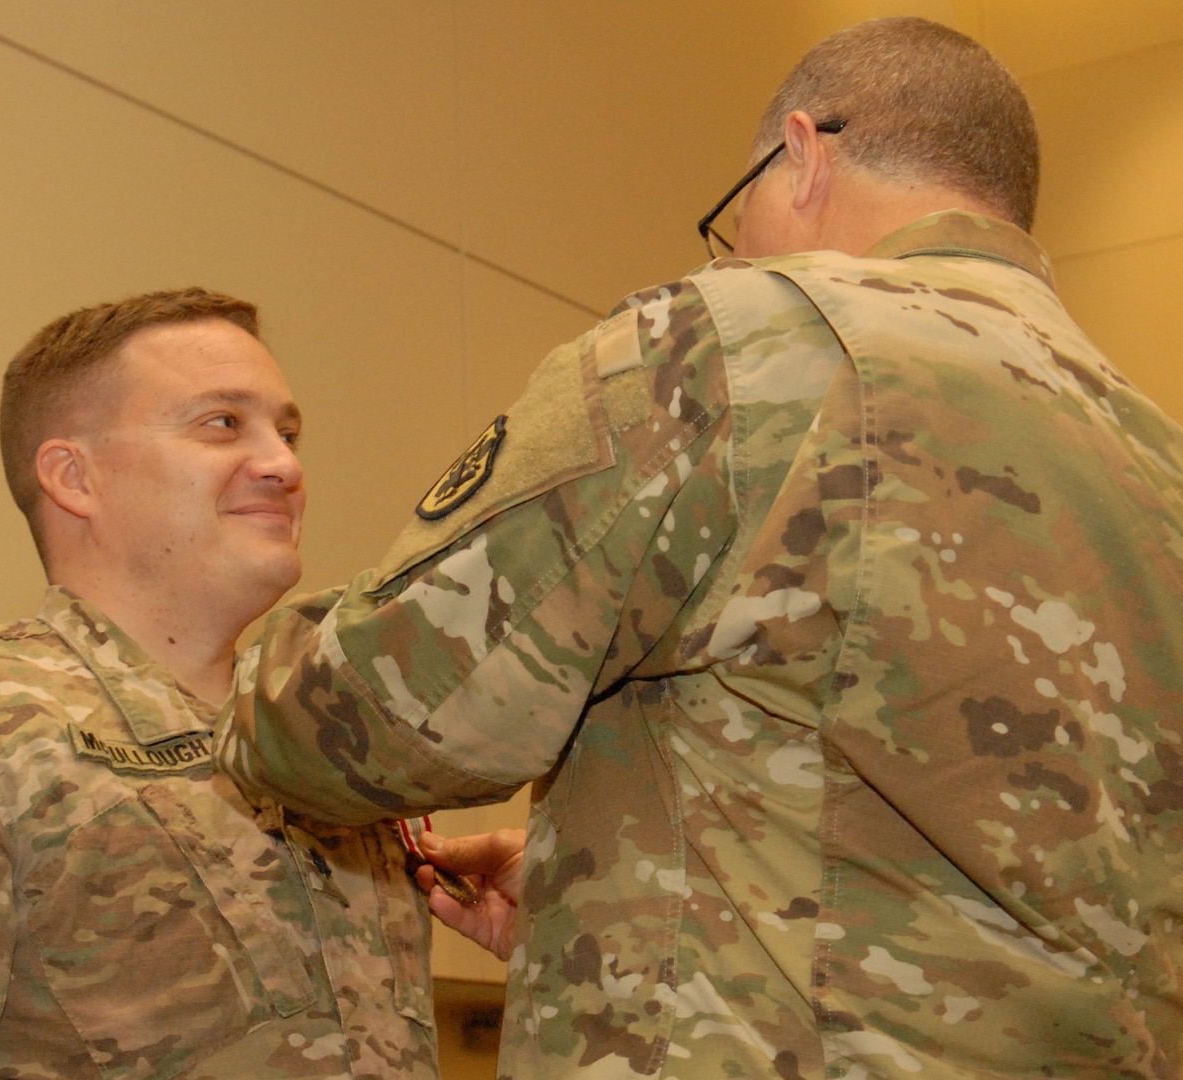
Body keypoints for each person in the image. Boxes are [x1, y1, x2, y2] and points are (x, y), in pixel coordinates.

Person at [218, 17, 1183, 1078]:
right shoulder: (1156, 459)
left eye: (738, 216)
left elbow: (381, 708)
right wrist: (604, 895)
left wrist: (250, 684)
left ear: (803, 155)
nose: (735, 251)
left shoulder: (749, 345)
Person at [0, 288, 442, 1078]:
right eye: (223, 424)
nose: (284, 465)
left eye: (290, 431)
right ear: (75, 476)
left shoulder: (325, 744)